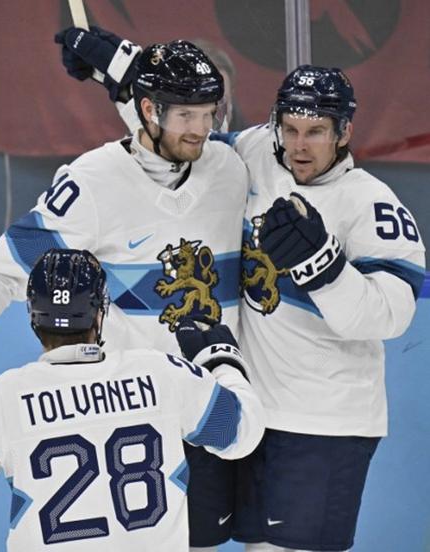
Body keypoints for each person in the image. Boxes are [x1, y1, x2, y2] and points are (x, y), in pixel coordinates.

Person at [58, 28, 427, 552]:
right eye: (290, 128)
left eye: (316, 132)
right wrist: (122, 69)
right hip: (245, 412)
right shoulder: (254, 154)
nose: (299, 146)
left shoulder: (371, 205)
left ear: (344, 132)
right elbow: (182, 134)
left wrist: (324, 267)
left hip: (320, 424)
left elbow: (392, 316)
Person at [0, 34, 250, 551]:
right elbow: (5, 269)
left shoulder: (231, 167)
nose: (202, 128)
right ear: (148, 111)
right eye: (186, 115)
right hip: (138, 420)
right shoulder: (92, 184)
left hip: (211, 407)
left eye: (209, 112)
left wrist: (123, 62)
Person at [0, 249, 265, 551]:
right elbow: (241, 432)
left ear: (31, 317)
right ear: (101, 313)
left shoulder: (0, 399)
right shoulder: (161, 374)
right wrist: (221, 360)